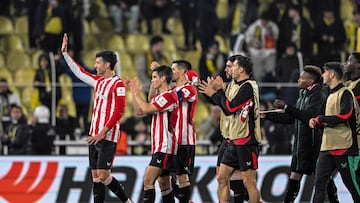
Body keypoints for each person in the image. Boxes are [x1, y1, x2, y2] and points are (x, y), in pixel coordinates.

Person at [61, 33, 133, 203]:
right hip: (94, 135)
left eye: (98, 62)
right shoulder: (98, 81)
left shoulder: (118, 84)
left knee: (103, 174)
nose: (95, 65)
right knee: (95, 176)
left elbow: (119, 111)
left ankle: (127, 201)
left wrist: (103, 132)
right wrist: (65, 54)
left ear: (107, 65)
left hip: (107, 136)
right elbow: (79, 72)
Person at [262, 65, 339, 202]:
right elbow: (291, 118)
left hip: (315, 144)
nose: (298, 80)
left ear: (310, 82)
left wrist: (286, 107)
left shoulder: (319, 94)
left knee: (323, 178)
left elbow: (309, 116)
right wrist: (267, 116)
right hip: (301, 145)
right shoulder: (303, 95)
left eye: (302, 78)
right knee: (295, 178)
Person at [199, 55, 261, 203]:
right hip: (232, 139)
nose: (229, 69)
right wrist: (216, 90)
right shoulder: (235, 83)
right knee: (221, 177)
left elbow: (229, 108)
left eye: (232, 66)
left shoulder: (248, 87)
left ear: (241, 69)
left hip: (246, 140)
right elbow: (224, 102)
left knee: (249, 181)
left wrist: (215, 92)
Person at [126, 65, 178, 203]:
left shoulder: (169, 96)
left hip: (165, 146)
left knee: (148, 180)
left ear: (163, 78)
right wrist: (133, 92)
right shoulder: (160, 97)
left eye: (154, 77)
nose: (152, 80)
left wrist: (137, 93)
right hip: (160, 147)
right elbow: (139, 112)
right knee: (164, 184)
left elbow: (147, 108)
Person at [309, 62, 360, 202]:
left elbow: (344, 116)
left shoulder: (345, 93)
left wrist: (320, 119)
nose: (322, 76)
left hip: (344, 148)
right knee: (319, 185)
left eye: (324, 72)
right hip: (327, 148)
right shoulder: (329, 95)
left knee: (352, 185)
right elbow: (320, 118)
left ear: (332, 74)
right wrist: (315, 121)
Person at [170, 59, 198, 203]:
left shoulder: (189, 89)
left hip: (184, 139)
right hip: (171, 140)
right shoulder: (173, 89)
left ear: (181, 72)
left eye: (173, 69)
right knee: (164, 177)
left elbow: (173, 99)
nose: (171, 72)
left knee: (181, 176)